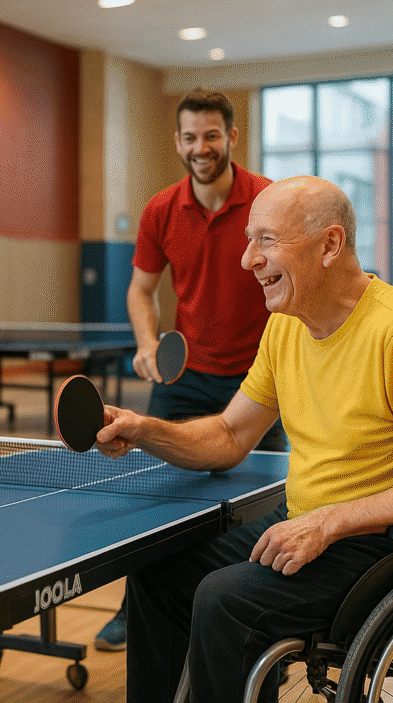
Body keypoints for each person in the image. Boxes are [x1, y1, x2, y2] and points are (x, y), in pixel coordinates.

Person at [95, 176, 393, 702]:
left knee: (224, 598)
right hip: (311, 522)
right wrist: (143, 430)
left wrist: (330, 521)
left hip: (387, 543)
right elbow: (230, 433)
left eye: (267, 240)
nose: (248, 259)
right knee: (159, 568)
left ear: (330, 245)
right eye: (249, 239)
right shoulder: (286, 326)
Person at [95, 87, 286, 653]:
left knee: (267, 495)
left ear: (232, 137)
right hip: (186, 378)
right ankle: (135, 608)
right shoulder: (161, 209)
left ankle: (255, 608)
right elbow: (141, 289)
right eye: (190, 137)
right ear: (178, 142)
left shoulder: (267, 201)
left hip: (261, 377)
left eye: (211, 135)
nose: (201, 147)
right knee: (151, 493)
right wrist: (147, 342)